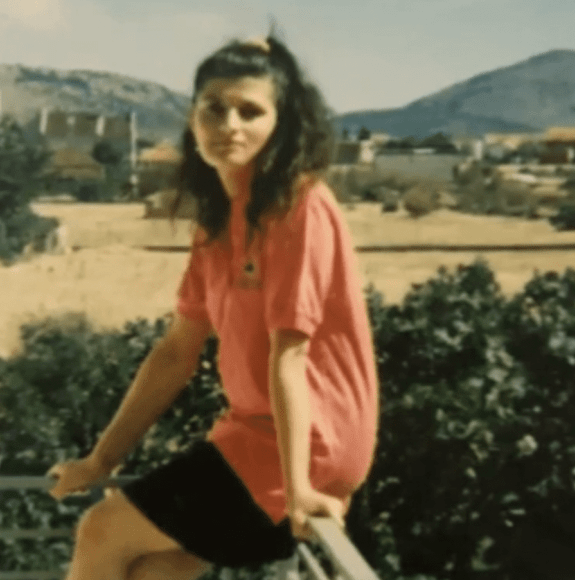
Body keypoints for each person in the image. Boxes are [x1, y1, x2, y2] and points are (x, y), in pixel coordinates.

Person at [47, 33, 379, 580]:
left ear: (282, 125)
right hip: (249, 435)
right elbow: (176, 352)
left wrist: (298, 488)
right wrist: (102, 459)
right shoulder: (219, 222)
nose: (229, 124)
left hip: (307, 446)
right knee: (155, 569)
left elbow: (290, 356)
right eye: (214, 108)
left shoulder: (298, 207)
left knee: (101, 530)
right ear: (192, 118)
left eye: (251, 111)